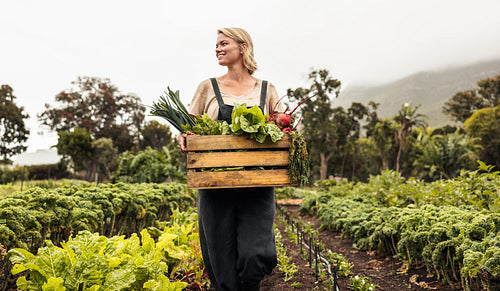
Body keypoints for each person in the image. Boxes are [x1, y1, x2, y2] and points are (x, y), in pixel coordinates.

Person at [178, 27, 284, 291]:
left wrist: (289, 130)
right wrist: (184, 137)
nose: (217, 48)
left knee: (256, 254)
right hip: (215, 186)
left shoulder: (267, 89)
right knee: (222, 267)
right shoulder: (207, 87)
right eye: (216, 44)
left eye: (223, 43)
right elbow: (191, 129)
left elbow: (284, 127)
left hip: (257, 185)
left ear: (243, 47)